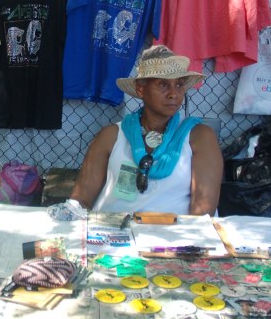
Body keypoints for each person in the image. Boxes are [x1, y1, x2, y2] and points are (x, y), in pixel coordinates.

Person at [69, 45, 223, 216]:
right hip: (111, 232)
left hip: (171, 236)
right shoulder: (111, 136)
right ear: (140, 89)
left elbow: (203, 210)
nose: (174, 94)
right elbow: (81, 199)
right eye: (163, 85)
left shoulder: (199, 137)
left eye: (179, 85)